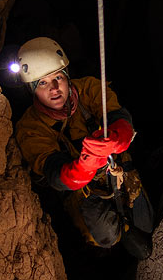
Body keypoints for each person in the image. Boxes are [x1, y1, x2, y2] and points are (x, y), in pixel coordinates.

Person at [13, 37, 154, 259]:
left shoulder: (88, 88)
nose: (54, 88)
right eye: (42, 83)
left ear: (67, 76)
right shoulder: (30, 127)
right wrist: (85, 165)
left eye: (58, 77)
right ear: (31, 89)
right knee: (106, 238)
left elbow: (119, 116)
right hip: (84, 193)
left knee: (145, 225)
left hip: (118, 173)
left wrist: (117, 138)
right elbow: (54, 172)